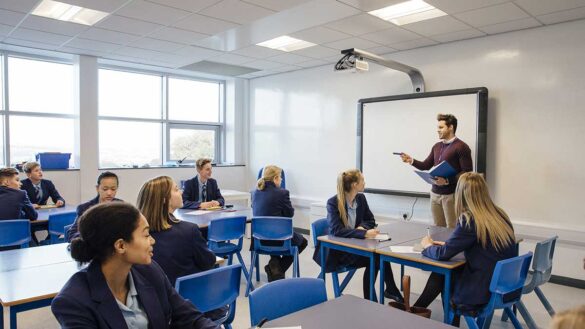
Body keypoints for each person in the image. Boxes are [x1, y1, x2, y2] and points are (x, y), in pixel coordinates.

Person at [51, 202, 219, 329]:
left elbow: (189, 317)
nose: (152, 240)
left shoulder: (150, 271)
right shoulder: (73, 302)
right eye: (146, 235)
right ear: (121, 245)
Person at [412, 172, 517, 326]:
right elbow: (482, 247)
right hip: (506, 286)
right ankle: (415, 313)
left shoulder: (470, 220)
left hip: (484, 290)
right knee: (442, 275)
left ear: (461, 195)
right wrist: (450, 246)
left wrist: (427, 245)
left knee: (442, 275)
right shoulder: (499, 214)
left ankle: (413, 313)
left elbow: (443, 254)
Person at [313, 169, 402, 301]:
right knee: (376, 259)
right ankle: (378, 295)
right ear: (355, 184)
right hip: (339, 252)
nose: (364, 183)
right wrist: (363, 233)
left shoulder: (360, 198)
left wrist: (362, 228)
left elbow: (370, 220)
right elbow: (337, 230)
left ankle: (383, 293)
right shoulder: (333, 202)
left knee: (380, 256)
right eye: (362, 180)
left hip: (355, 246)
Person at [400, 114, 473, 228]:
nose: (437, 130)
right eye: (437, 127)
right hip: (435, 194)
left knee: (452, 228)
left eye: (441, 127)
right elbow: (426, 165)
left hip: (452, 195)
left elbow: (467, 172)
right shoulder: (436, 146)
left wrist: (447, 181)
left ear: (451, 127)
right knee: (438, 228)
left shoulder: (461, 147)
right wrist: (411, 160)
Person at [251, 165, 308, 282]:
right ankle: (277, 270)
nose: (281, 180)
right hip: (279, 239)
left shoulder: (254, 192)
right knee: (303, 242)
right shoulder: (283, 193)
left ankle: (274, 266)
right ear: (275, 178)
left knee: (274, 244)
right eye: (280, 177)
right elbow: (290, 214)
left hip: (259, 239)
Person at [67, 171, 122, 241]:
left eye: (113, 189)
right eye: (105, 189)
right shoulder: (85, 208)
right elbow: (72, 234)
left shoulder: (121, 207)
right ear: (97, 188)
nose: (109, 193)